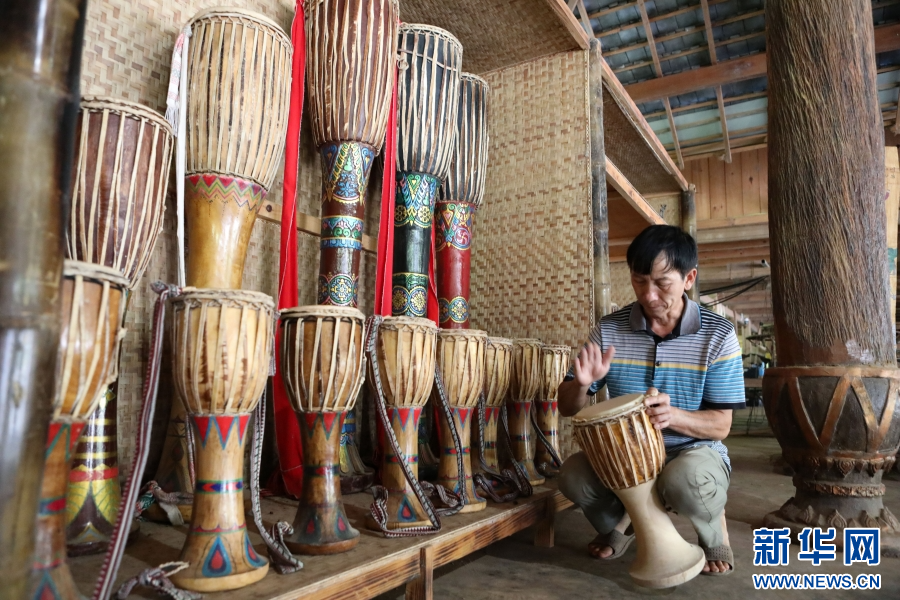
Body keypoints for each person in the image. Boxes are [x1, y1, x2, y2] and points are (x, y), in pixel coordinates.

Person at [558, 224, 744, 576]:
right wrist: (582, 385)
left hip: (691, 452)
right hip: (625, 453)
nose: (649, 294)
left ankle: (712, 529)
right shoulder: (609, 329)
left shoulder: (718, 334)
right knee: (573, 477)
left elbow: (721, 426)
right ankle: (625, 523)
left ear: (689, 278)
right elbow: (567, 407)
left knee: (688, 482)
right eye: (639, 281)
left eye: (662, 283)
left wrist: (674, 416)